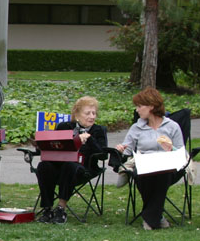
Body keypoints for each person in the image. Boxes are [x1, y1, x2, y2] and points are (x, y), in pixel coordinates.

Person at [114, 87, 184, 230]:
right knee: (140, 173)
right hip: (144, 165)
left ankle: (150, 218)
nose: (137, 110)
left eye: (140, 106)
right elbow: (127, 150)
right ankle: (157, 217)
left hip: (168, 166)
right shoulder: (136, 128)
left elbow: (182, 153)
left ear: (151, 106)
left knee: (162, 174)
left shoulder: (172, 127)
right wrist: (120, 149)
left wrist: (171, 149)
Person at [36, 96, 108, 224]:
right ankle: (47, 209)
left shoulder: (99, 130)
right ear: (77, 115)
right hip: (59, 165)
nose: (92, 116)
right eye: (88, 113)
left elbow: (103, 155)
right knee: (44, 165)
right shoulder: (64, 126)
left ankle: (60, 209)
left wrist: (89, 139)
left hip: (84, 168)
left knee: (70, 166)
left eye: (94, 113)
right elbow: (53, 145)